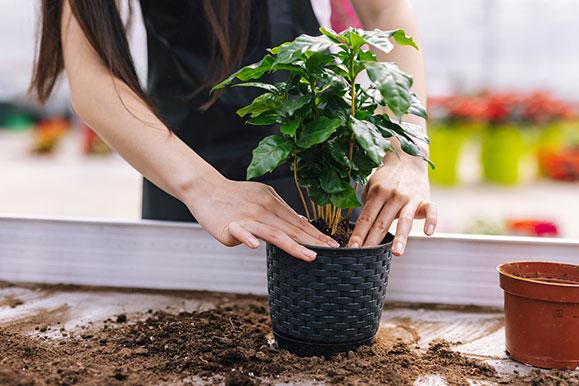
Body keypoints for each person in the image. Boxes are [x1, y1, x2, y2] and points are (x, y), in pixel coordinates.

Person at [30, 0, 437, 261]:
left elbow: (385, 12)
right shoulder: (191, 183)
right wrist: (203, 188)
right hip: (181, 171)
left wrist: (406, 151)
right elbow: (90, 78)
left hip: (317, 167)